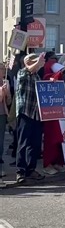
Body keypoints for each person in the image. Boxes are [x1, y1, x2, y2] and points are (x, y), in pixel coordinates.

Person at [15, 53, 46, 184]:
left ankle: (30, 169)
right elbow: (28, 69)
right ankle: (20, 171)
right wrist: (38, 63)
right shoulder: (22, 73)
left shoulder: (37, 76)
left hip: (36, 114)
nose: (38, 64)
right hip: (25, 113)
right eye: (35, 62)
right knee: (23, 143)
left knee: (35, 144)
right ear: (28, 62)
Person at [0, 62, 12, 178]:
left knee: (1, 141)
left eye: (4, 69)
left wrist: (7, 94)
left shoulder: (5, 82)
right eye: (2, 69)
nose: (4, 71)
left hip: (2, 114)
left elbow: (8, 102)